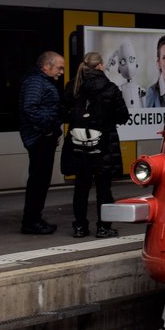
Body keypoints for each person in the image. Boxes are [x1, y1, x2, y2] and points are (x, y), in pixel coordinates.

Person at [62, 52, 128, 238]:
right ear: (100, 66)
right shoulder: (111, 88)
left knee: (81, 188)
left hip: (79, 146)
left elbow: (64, 113)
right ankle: (103, 227)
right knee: (104, 189)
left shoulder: (73, 87)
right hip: (104, 147)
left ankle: (80, 227)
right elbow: (123, 116)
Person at [19, 51, 65, 234]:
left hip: (42, 137)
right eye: (59, 67)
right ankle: (31, 222)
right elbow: (30, 108)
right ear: (46, 66)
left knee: (41, 181)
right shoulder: (36, 82)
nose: (61, 71)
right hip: (39, 139)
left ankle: (34, 218)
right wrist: (48, 127)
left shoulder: (40, 81)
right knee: (38, 182)